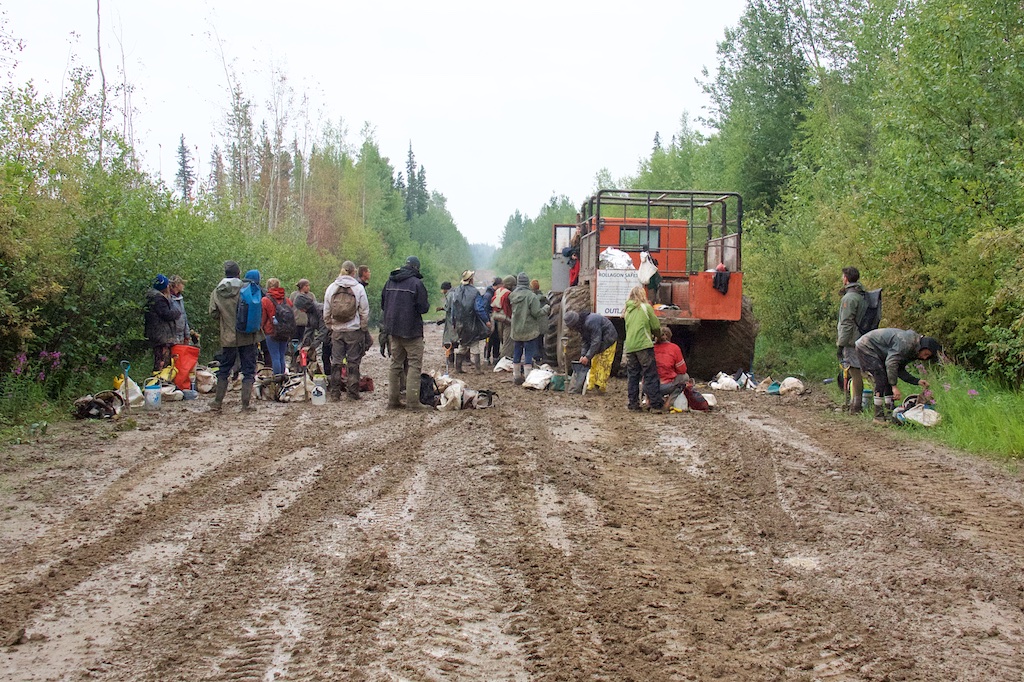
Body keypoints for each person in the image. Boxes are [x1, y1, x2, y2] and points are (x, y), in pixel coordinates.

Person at [856, 328, 941, 423]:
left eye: (927, 357)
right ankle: (878, 416)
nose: (924, 357)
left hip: (879, 351)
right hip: (866, 346)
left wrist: (917, 381)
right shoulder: (907, 344)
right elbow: (891, 363)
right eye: (925, 354)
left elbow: (899, 369)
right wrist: (894, 386)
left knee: (887, 377)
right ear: (923, 346)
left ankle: (889, 412)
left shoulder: (913, 349)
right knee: (881, 378)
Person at [209, 262, 263, 411]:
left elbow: (213, 313)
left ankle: (217, 402)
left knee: (224, 368)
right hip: (247, 335)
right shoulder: (246, 288)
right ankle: (245, 404)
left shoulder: (217, 291)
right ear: (239, 273)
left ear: (225, 273)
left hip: (228, 336)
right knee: (248, 369)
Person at [381, 255, 431, 409]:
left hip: (393, 330)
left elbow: (383, 304)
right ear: (416, 267)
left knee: (395, 364)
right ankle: (413, 402)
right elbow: (423, 308)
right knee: (414, 365)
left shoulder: (390, 281)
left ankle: (393, 400)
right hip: (412, 331)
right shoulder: (417, 283)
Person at [324, 261, 370, 401]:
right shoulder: (358, 288)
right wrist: (363, 327)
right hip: (353, 330)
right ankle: (352, 393)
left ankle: (335, 393)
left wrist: (330, 326)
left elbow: (326, 310)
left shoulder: (331, 287)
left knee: (336, 362)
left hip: (337, 330)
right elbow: (364, 310)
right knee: (353, 362)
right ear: (354, 272)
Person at [623, 285, 664, 412]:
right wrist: (659, 337)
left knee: (633, 376)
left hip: (630, 347)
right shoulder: (646, 308)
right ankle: (655, 405)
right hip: (643, 345)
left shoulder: (627, 310)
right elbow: (655, 326)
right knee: (650, 375)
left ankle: (633, 404)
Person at [563, 310, 617, 394]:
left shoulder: (591, 322)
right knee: (594, 363)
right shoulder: (581, 325)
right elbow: (585, 341)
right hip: (598, 340)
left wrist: (588, 356)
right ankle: (591, 386)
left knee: (603, 363)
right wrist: (583, 355)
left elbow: (596, 341)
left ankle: (599, 387)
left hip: (608, 338)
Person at [837, 266, 867, 414]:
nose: (842, 279)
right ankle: (855, 403)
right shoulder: (861, 295)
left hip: (851, 340)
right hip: (860, 337)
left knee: (855, 371)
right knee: (856, 371)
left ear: (846, 278)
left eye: (843, 277)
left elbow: (846, 323)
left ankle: (856, 406)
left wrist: (840, 343)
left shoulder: (849, 298)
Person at [509, 272, 548, 385]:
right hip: (529, 330)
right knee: (528, 353)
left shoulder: (512, 295)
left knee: (517, 352)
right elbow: (536, 313)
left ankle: (516, 376)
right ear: (527, 282)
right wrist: (546, 309)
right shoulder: (532, 296)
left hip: (516, 329)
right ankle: (527, 377)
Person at [450, 270, 491, 373]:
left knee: (462, 344)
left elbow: (453, 308)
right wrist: (486, 321)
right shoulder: (475, 292)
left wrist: (453, 322)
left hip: (459, 324)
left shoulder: (456, 291)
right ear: (471, 279)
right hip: (472, 322)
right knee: (474, 344)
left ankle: (458, 368)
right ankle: (477, 369)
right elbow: (479, 309)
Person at [144, 274, 181, 374]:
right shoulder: (158, 299)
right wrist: (177, 312)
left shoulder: (153, 297)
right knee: (162, 361)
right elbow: (166, 314)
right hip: (161, 335)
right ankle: (160, 382)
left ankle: (161, 381)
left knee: (161, 360)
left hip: (157, 334)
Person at [653, 327, 689, 400]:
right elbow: (682, 370)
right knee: (685, 377)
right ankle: (669, 402)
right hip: (665, 386)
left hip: (648, 386)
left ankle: (648, 400)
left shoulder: (652, 348)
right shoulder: (674, 348)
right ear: (669, 336)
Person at [168, 275, 196, 346]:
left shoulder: (180, 298)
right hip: (173, 335)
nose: (183, 286)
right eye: (182, 284)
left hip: (181, 335)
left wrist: (187, 334)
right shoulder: (168, 299)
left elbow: (184, 316)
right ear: (177, 285)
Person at [488, 277, 510, 363]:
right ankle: (501, 359)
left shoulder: (495, 292)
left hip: (496, 317)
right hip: (503, 318)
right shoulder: (507, 293)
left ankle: (491, 358)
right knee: (501, 339)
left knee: (495, 339)